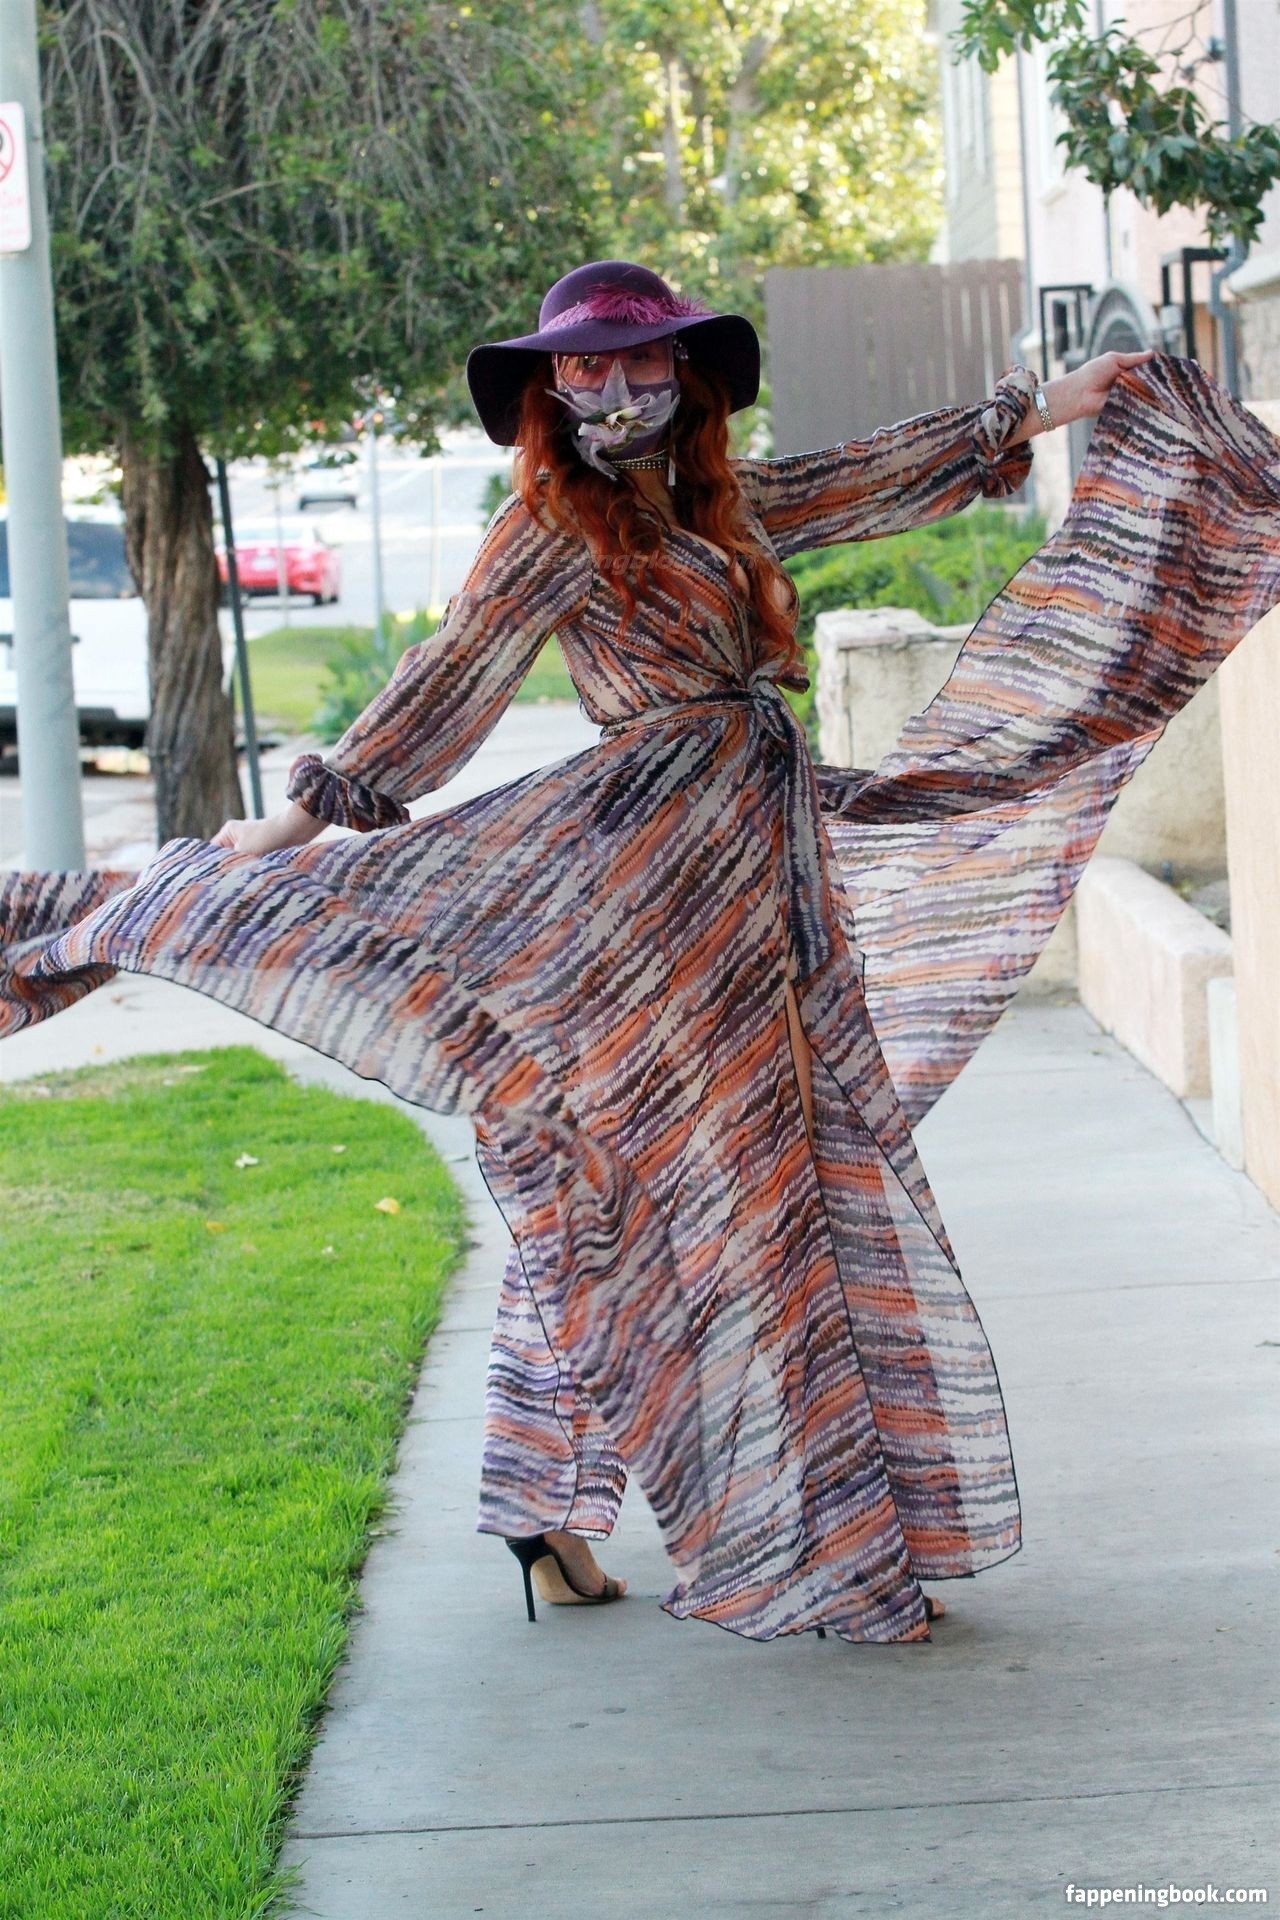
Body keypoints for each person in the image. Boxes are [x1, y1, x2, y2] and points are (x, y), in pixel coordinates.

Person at [4, 260, 1278, 1646]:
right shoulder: (551, 526)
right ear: (550, 390)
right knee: (718, 1194)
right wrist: (295, 820)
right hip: (651, 900)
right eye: (582, 368)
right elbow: (444, 681)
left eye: (637, 360)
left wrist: (1049, 405)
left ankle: (556, 1507)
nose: (611, 388)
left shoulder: (722, 503)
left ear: (689, 373)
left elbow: (865, 478)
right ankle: (814, 1546)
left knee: (656, 1188)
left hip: (762, 891)